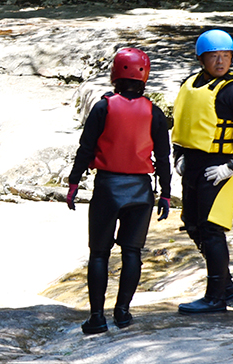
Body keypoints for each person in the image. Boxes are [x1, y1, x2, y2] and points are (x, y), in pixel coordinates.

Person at [65, 47, 172, 334]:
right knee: (132, 252)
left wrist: (74, 182)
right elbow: (163, 156)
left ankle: (97, 318)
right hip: (141, 191)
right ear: (144, 76)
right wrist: (165, 193)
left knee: (99, 254)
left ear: (115, 74)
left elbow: (86, 148)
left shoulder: (103, 107)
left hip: (108, 188)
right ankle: (123, 313)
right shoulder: (154, 112)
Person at [172, 29, 233, 314]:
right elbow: (181, 123)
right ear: (201, 59)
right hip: (194, 164)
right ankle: (226, 285)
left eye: (226, 56)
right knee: (191, 221)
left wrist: (232, 165)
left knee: (212, 230)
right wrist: (179, 157)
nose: (221, 61)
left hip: (218, 166)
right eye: (214, 56)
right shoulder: (190, 84)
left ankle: (215, 298)